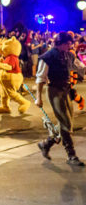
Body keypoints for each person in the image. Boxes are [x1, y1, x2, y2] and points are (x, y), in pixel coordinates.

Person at [36, 31, 86, 166]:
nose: (70, 46)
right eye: (68, 43)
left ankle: (46, 144)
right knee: (66, 123)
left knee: (66, 122)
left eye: (70, 43)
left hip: (66, 90)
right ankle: (71, 155)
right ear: (60, 43)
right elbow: (40, 79)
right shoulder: (47, 57)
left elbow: (81, 68)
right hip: (54, 90)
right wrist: (38, 98)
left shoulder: (69, 55)